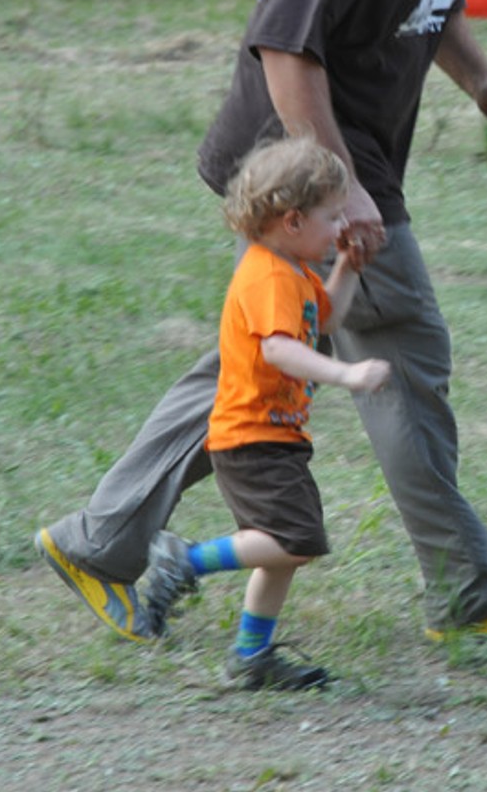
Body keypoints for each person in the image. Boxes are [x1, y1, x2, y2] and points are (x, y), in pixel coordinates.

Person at [36, 0, 487, 647]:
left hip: (328, 169)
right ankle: (470, 592)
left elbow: (430, 7)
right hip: (302, 169)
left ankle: (98, 542)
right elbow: (287, 50)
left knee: (253, 364)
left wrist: (482, 82)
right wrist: (344, 192)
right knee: (406, 352)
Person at [159, 137, 389, 690]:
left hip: (274, 435)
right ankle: (184, 560)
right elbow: (279, 349)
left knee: (283, 551)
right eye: (332, 216)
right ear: (291, 220)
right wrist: (346, 375)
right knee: (296, 540)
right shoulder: (266, 275)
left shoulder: (293, 270)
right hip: (251, 436)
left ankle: (250, 657)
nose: (340, 227)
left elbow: (325, 319)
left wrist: (349, 268)